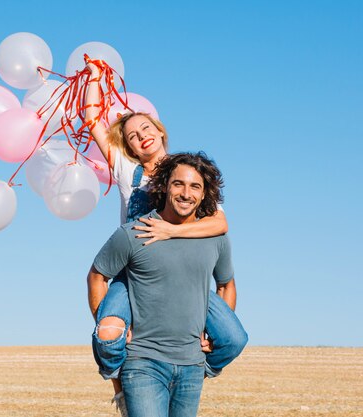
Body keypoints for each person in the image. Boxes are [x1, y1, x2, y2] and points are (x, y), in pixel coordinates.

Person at [85, 62, 248, 414]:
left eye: (146, 128)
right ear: (127, 146)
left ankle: (194, 367)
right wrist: (96, 77)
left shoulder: (187, 173)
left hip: (185, 274)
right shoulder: (127, 169)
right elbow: (91, 118)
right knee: (109, 329)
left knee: (233, 338)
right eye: (131, 135)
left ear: (160, 131)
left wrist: (172, 230)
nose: (140, 135)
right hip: (135, 269)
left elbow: (220, 223)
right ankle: (121, 386)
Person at [88, 152, 238, 417]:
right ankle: (115, 380)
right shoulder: (134, 233)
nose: (186, 193)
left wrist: (212, 336)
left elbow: (226, 285)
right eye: (178, 183)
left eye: (195, 186)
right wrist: (112, 325)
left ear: (204, 195)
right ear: (165, 185)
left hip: (192, 365)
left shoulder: (215, 239)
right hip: (143, 362)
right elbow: (97, 276)